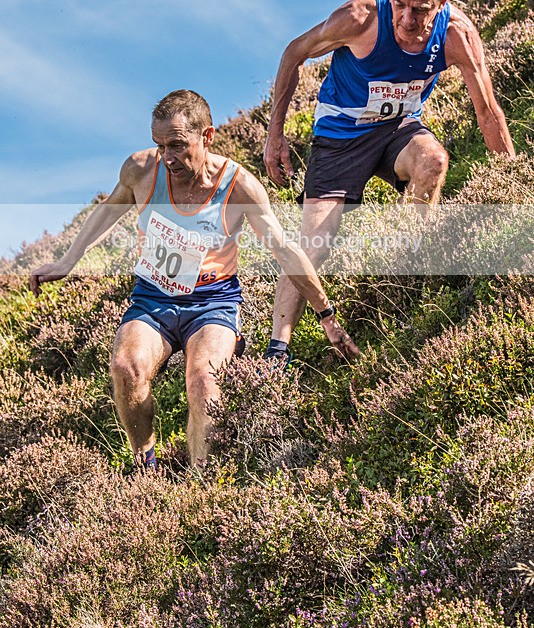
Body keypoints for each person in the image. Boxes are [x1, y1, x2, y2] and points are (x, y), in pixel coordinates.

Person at [29, 90, 358, 470]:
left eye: (177, 145)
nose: (167, 157)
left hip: (212, 303)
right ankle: (145, 465)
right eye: (160, 145)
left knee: (204, 384)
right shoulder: (141, 170)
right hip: (153, 299)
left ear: (208, 136)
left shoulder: (239, 187)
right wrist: (69, 260)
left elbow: (285, 251)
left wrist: (327, 316)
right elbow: (109, 209)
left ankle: (200, 482)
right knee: (126, 367)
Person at [263, 0, 516, 362]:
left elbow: (488, 112)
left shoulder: (457, 35)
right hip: (340, 135)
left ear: (443, 3)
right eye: (399, 3)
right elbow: (294, 52)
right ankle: (277, 351)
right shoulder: (360, 19)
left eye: (420, 9)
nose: (406, 19)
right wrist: (275, 135)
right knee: (316, 244)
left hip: (398, 128)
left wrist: (515, 190)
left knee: (433, 160)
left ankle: (408, 270)